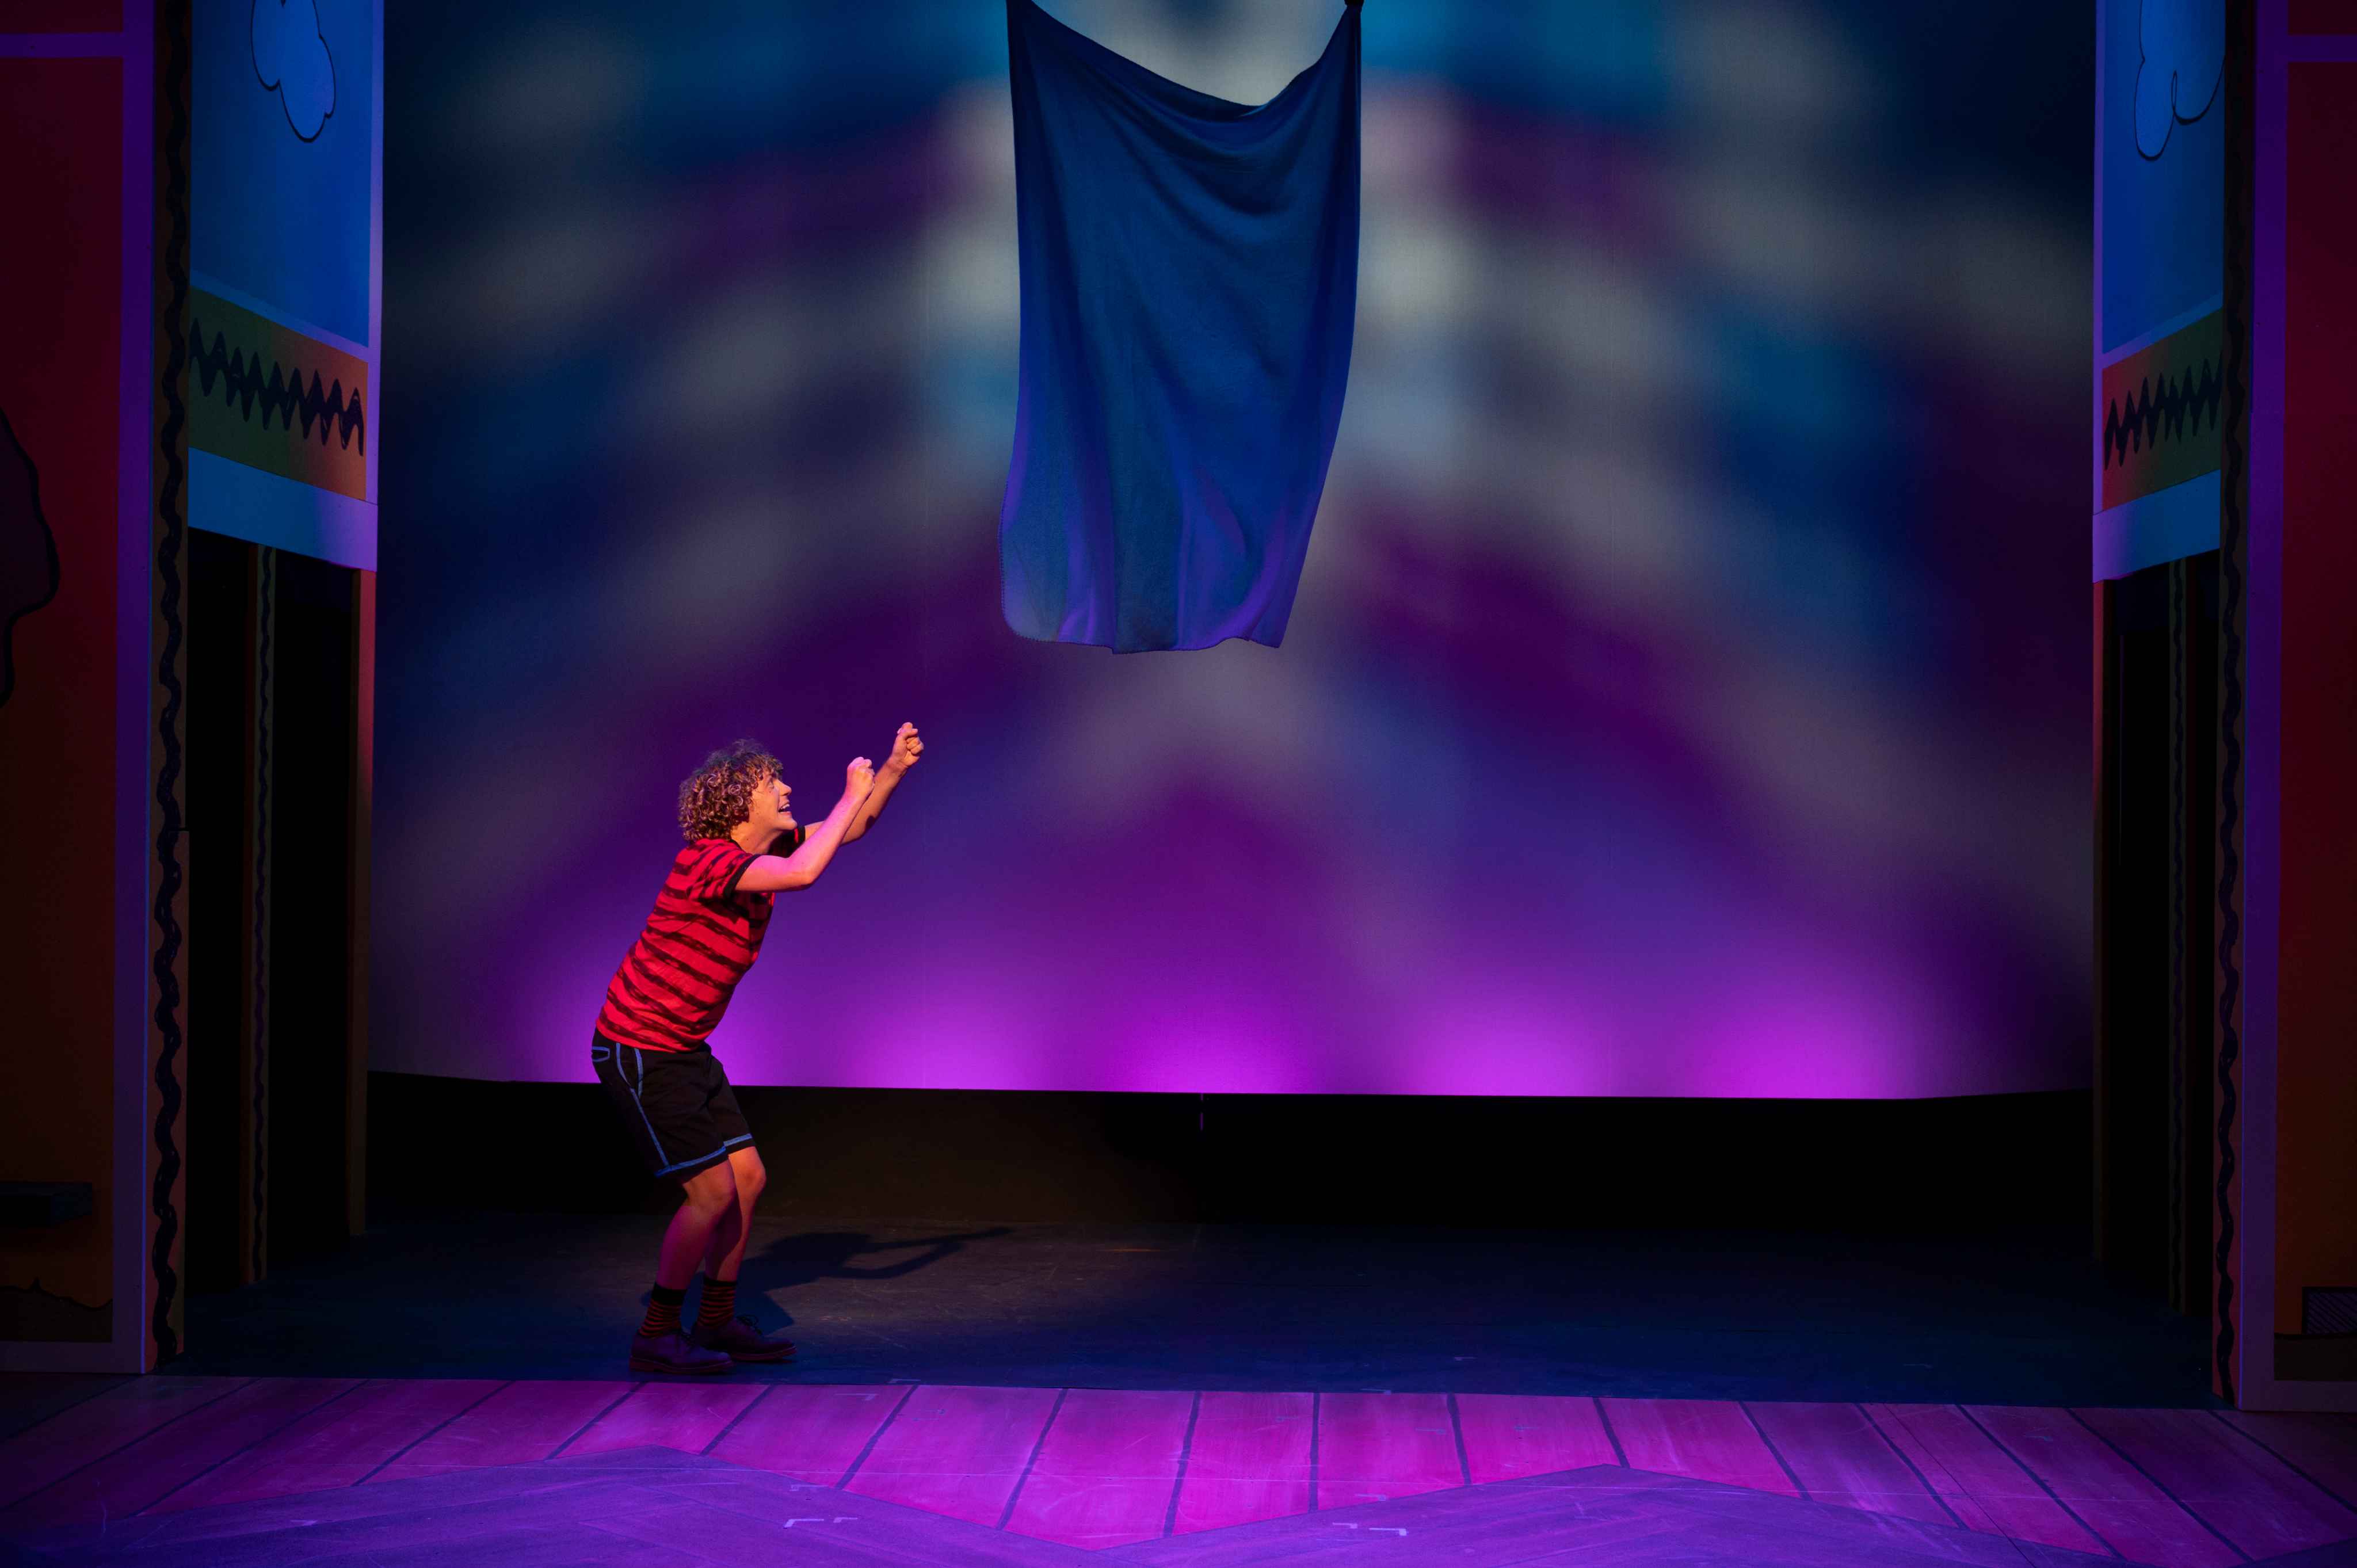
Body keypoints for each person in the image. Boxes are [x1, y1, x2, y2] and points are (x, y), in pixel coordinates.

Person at [593, 722, 923, 1374]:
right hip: (640, 1044)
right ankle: (656, 1333)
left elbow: (847, 832)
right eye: (774, 783)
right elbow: (805, 871)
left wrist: (889, 772)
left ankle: (715, 1319)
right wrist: (848, 792)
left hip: (684, 1046)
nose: (788, 789)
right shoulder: (707, 862)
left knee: (747, 1179)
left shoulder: (761, 860)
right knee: (710, 1193)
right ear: (739, 802)